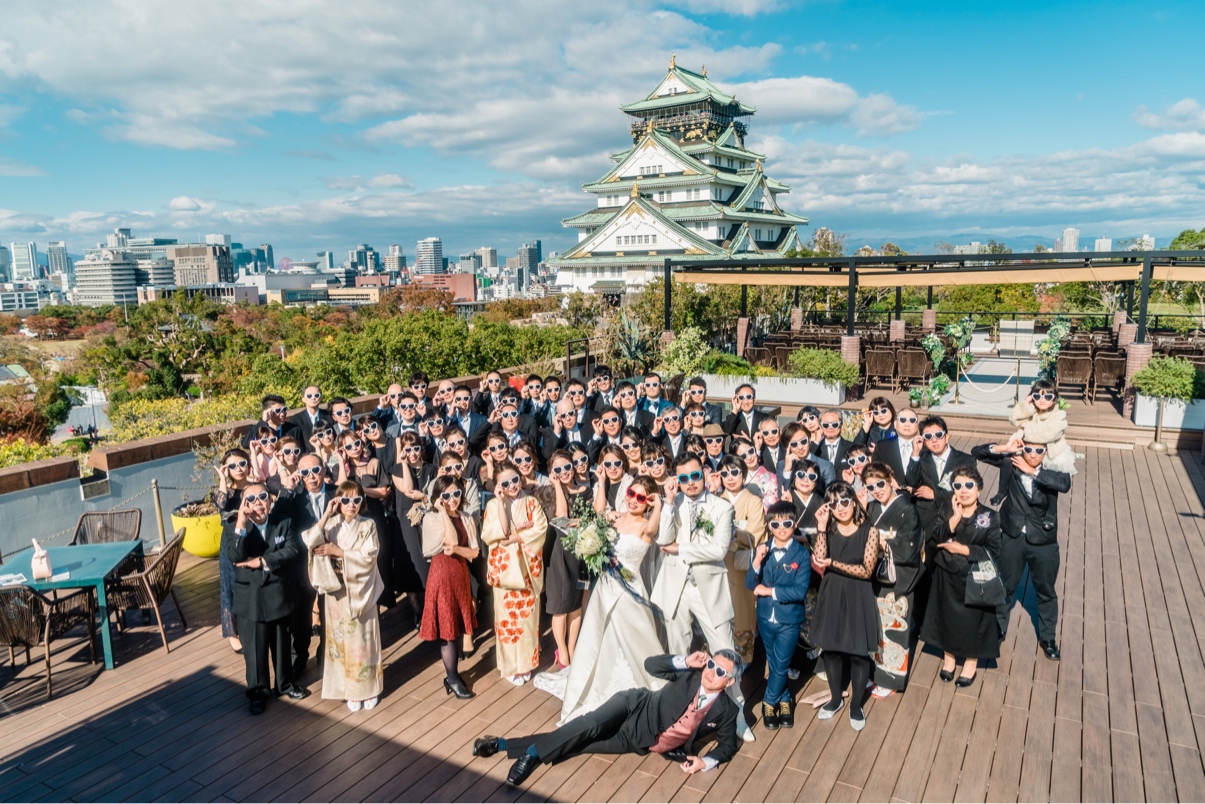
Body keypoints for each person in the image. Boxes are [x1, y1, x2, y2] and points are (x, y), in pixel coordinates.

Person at [473, 651, 743, 788]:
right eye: (711, 664)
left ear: (729, 680)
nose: (711, 672)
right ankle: (532, 756)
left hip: (634, 740)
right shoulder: (690, 673)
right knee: (588, 725)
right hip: (632, 706)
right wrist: (685, 660)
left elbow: (728, 745)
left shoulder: (727, 711)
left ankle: (501, 745)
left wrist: (704, 762)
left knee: (582, 742)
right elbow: (651, 666)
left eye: (719, 671)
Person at [652, 454, 752, 742]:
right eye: (683, 478)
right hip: (676, 586)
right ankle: (678, 713)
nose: (690, 483)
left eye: (695, 476)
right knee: (681, 654)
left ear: (704, 475)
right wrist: (669, 503)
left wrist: (680, 548)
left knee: (726, 652)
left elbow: (719, 550)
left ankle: (739, 716)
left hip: (708, 589)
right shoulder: (675, 503)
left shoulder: (722, 507)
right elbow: (662, 539)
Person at [558, 477, 668, 722]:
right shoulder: (614, 517)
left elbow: (651, 531)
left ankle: (648, 684)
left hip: (629, 588)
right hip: (606, 585)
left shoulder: (646, 525)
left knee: (635, 638)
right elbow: (596, 518)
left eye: (641, 498)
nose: (633, 500)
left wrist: (658, 505)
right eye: (631, 493)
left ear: (647, 503)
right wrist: (601, 485)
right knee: (601, 634)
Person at [972, 433, 1071, 660]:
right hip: (1012, 534)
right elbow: (977, 452)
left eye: (1039, 450)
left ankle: (1048, 637)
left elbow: (1064, 484)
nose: (1033, 455)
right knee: (1005, 585)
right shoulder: (1012, 460)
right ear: (1022, 448)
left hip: (1043, 539)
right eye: (1029, 449)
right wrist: (1003, 447)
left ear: (1046, 451)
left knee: (1046, 590)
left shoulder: (1053, 467)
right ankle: (999, 628)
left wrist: (1033, 471)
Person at [223, 483, 306, 714]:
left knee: (281, 644)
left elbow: (292, 550)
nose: (258, 502)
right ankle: (258, 691)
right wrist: (241, 522)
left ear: (269, 500)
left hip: (278, 593)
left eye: (262, 497)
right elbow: (236, 555)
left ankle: (285, 683)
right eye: (251, 499)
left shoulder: (283, 522)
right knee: (255, 650)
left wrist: (261, 561)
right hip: (249, 598)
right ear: (243, 504)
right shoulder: (233, 528)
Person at [303, 481, 385, 711]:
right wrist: (326, 513)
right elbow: (309, 541)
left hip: (361, 589)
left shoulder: (368, 525)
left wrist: (338, 552)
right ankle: (348, 690)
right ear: (338, 502)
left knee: (364, 640)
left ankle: (369, 689)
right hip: (336, 590)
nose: (351, 505)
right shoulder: (330, 524)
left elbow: (370, 557)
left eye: (356, 500)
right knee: (340, 642)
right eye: (346, 500)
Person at [919, 466, 1002, 686]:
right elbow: (934, 539)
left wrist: (964, 550)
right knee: (947, 618)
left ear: (979, 488)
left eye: (969, 485)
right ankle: (949, 659)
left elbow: (994, 552)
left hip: (974, 577)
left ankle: (971, 662)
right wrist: (953, 520)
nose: (963, 490)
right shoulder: (947, 509)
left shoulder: (990, 516)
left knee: (973, 622)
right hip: (946, 574)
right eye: (958, 485)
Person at [810, 482, 880, 731]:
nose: (840, 508)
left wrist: (833, 563)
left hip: (858, 593)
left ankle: (856, 706)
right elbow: (819, 559)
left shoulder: (870, 530)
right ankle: (836, 698)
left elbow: (866, 570)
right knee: (830, 649)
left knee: (859, 653)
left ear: (853, 501)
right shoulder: (828, 529)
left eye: (844, 501)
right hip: (832, 592)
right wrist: (820, 527)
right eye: (833, 503)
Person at [481, 462, 549, 685]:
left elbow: (540, 529)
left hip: (528, 568)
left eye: (514, 480)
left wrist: (517, 535)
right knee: (508, 621)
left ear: (521, 478)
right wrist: (500, 502)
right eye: (505, 483)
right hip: (507, 571)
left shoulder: (532, 502)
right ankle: (510, 666)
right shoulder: (493, 505)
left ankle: (526, 664)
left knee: (528, 620)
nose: (512, 485)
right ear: (498, 486)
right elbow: (495, 533)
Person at [746, 502, 811, 730]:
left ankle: (768, 701)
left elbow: (800, 591)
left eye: (786, 523)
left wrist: (769, 590)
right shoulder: (763, 550)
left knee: (781, 664)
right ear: (769, 525)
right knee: (775, 663)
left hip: (789, 620)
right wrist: (755, 561)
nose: (781, 528)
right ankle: (784, 698)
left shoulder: (801, 555)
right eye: (775, 523)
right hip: (765, 617)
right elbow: (749, 584)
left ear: (795, 524)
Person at [273, 453, 336, 678]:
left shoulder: (337, 493)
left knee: (331, 611)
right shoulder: (295, 498)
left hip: (333, 564)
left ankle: (327, 652)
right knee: (301, 616)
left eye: (315, 471)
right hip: (303, 566)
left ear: (323, 469)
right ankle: (299, 657)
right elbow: (277, 516)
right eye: (305, 473)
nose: (311, 477)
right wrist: (288, 489)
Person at [863, 462, 923, 691]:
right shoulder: (872, 508)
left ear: (890, 480)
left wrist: (880, 542)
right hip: (875, 574)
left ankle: (890, 679)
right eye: (871, 487)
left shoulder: (907, 509)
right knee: (876, 626)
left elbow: (910, 546)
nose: (877, 490)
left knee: (894, 627)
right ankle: (874, 672)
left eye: (880, 484)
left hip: (897, 575)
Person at [420, 475, 480, 699]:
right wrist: (444, 512)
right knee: (447, 630)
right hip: (442, 576)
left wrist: (456, 550)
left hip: (460, 574)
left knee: (457, 625)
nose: (453, 499)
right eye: (446, 495)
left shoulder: (466, 517)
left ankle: (453, 676)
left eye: (456, 494)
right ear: (438, 498)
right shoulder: (432, 518)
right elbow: (452, 540)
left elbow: (473, 552)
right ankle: (452, 678)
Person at [716, 456, 766, 663]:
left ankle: (743, 659)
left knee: (742, 611)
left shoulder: (753, 502)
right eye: (724, 473)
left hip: (740, 566)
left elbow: (756, 534)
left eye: (735, 472)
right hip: (717, 565)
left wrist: (727, 536)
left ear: (743, 474)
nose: (730, 478)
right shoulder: (716, 500)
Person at [544, 450, 591, 670]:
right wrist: (557, 487)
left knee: (575, 606)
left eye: (567, 467)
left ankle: (573, 647)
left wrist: (578, 521)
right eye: (558, 469)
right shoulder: (548, 493)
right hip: (559, 553)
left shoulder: (585, 491)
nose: (564, 472)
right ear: (552, 472)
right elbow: (562, 519)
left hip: (581, 553)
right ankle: (562, 651)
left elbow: (592, 520)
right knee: (560, 607)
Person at [214, 448, 253, 653]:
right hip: (231, 539)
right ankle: (232, 632)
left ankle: (250, 625)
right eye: (232, 466)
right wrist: (222, 479)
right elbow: (220, 504)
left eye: (242, 463)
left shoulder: (256, 487)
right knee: (230, 584)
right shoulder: (226, 492)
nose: (238, 469)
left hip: (253, 537)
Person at [1007, 379, 1076, 475]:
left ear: (1054, 399)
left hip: (1051, 455)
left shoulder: (1059, 415)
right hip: (1028, 452)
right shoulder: (1031, 411)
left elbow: (1048, 434)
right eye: (1037, 396)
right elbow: (1014, 420)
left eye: (1048, 396)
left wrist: (1027, 426)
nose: (1042, 400)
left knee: (1047, 482)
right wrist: (1025, 404)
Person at [876, 407, 921, 485]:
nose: (907, 424)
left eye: (912, 420)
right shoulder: (882, 446)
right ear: (895, 424)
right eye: (903, 420)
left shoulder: (926, 447)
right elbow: (875, 473)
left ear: (917, 425)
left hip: (920, 495)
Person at [735, 437, 779, 508]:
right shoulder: (736, 479)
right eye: (743, 456)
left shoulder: (772, 478)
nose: (749, 457)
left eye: (751, 451)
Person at [593, 444, 633, 514]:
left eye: (617, 463)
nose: (613, 468)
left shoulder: (631, 483)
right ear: (601, 466)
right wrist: (601, 482)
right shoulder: (598, 486)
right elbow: (599, 512)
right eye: (608, 464)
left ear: (623, 464)